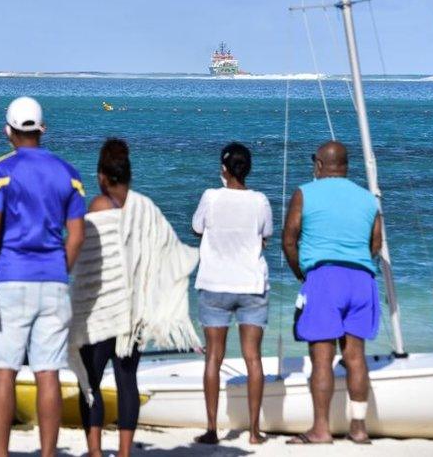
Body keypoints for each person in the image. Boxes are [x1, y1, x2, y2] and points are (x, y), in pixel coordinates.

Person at [70, 139, 200, 457]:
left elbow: (86, 264)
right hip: (133, 313)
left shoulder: (97, 207)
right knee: (127, 379)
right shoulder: (146, 209)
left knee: (91, 381)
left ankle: (96, 451)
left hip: (101, 309)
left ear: (102, 175)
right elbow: (164, 255)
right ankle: (125, 453)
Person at [0, 96, 86, 457]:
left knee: (4, 372)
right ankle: (48, 453)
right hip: (53, 279)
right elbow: (77, 235)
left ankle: (0, 453)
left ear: (7, 130)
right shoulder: (68, 172)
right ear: (43, 129)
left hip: (9, 278)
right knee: (48, 373)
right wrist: (61, 269)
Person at [282, 141, 382, 445]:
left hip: (324, 277)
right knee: (355, 357)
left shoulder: (305, 192)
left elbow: (289, 239)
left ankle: (321, 429)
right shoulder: (368, 199)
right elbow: (376, 244)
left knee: (322, 359)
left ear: (319, 165)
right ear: (346, 165)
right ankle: (359, 428)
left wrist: (302, 273)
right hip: (362, 279)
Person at [191, 142, 273, 445]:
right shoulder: (260, 200)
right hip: (251, 284)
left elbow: (196, 227)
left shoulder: (211, 197)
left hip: (214, 283)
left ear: (224, 169)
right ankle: (253, 432)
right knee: (253, 358)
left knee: (213, 356)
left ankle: (212, 429)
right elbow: (266, 234)